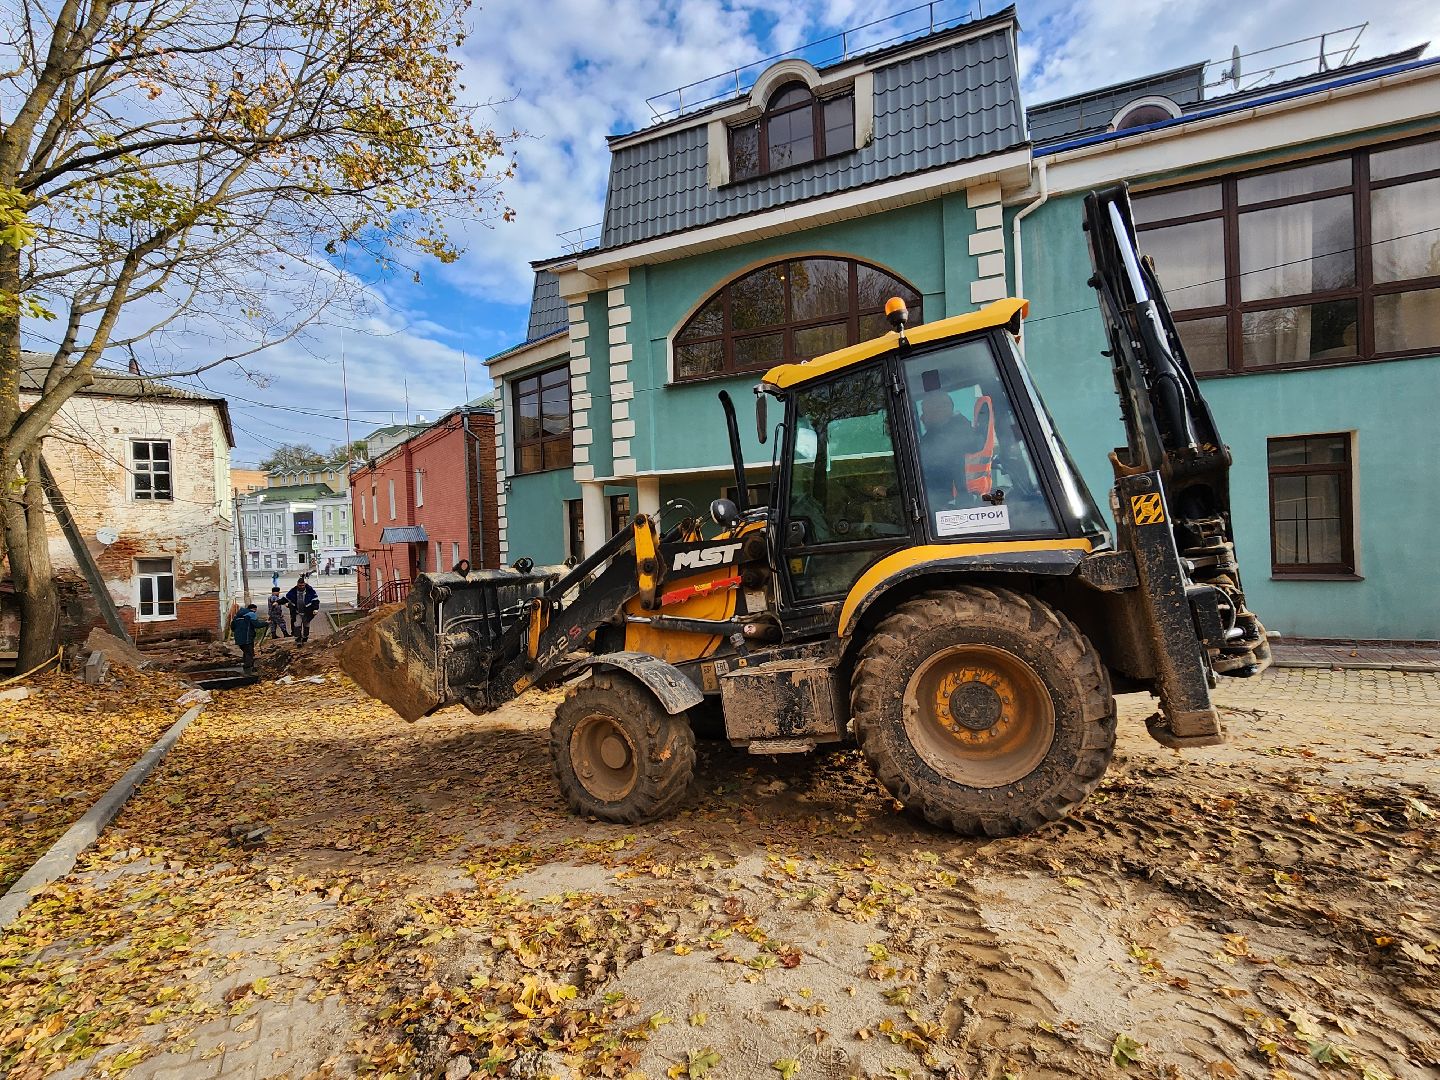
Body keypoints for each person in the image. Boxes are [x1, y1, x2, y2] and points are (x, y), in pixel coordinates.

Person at [285, 575, 320, 643]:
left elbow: (315, 600)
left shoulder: (310, 591)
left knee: (306, 625)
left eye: (302, 585)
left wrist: (315, 609)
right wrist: (286, 603)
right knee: (297, 625)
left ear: (305, 584)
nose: (301, 587)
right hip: (297, 612)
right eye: (300, 585)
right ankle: (298, 639)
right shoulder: (293, 591)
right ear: (297, 584)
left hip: (307, 612)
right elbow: (288, 598)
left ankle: (305, 637)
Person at [231, 603, 261, 673]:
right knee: (249, 653)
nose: (255, 612)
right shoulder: (251, 614)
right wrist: (266, 623)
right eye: (255, 610)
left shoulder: (237, 616)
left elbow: (232, 627)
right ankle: (248, 671)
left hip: (238, 638)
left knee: (246, 652)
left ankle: (246, 666)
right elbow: (257, 625)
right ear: (253, 609)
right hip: (247, 638)